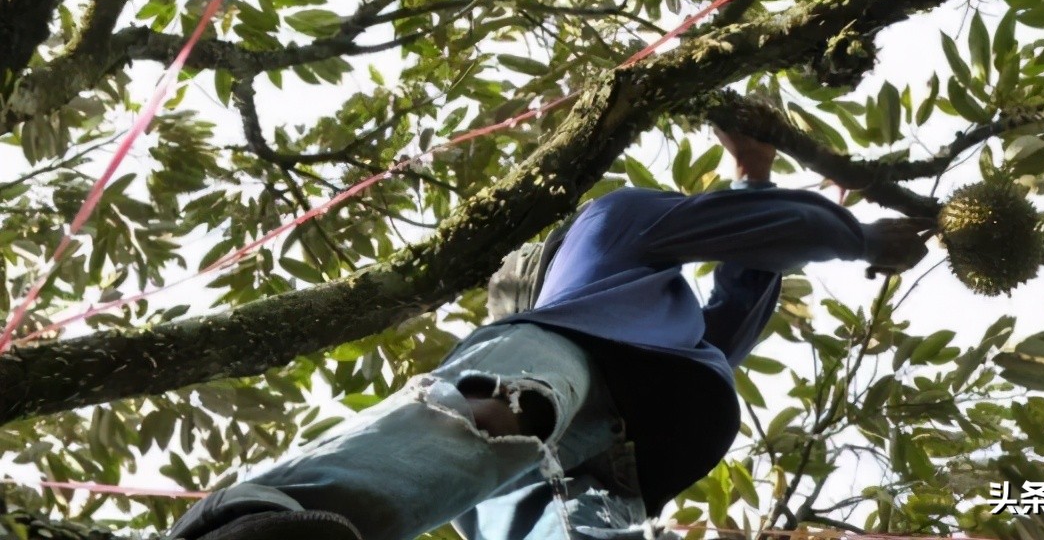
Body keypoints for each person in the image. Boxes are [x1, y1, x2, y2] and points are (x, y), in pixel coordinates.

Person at [167, 129, 930, 540]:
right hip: (658, 437)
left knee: (492, 418)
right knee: (522, 466)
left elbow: (755, 245)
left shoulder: (609, 226)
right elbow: (756, 258)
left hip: (615, 401)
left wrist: (773, 194)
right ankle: (269, 527)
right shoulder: (631, 298)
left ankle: (258, 518)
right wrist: (839, 230)